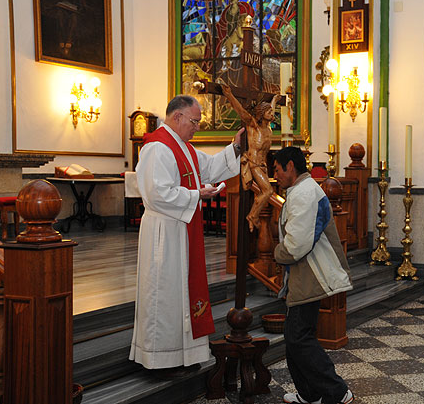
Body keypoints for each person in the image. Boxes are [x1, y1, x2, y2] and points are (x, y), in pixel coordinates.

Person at [129, 94, 243, 376]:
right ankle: (159, 358)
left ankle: (181, 354)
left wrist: (236, 148)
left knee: (181, 294)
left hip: (182, 229)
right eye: (194, 121)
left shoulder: (184, 148)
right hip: (164, 235)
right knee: (164, 294)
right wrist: (197, 194)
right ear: (177, 116)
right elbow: (157, 195)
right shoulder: (157, 147)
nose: (197, 128)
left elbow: (211, 167)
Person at [272, 147, 354, 404]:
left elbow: (297, 245)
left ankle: (337, 391)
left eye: (276, 169)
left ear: (290, 168)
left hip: (311, 276)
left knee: (299, 338)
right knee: (295, 337)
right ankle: (310, 394)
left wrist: (278, 253)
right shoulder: (300, 191)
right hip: (304, 276)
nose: (275, 176)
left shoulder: (305, 193)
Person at [222, 84, 276, 232]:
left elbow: (271, 108)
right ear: (261, 113)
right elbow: (240, 110)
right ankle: (252, 216)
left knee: (264, 192)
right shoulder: (253, 125)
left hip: (263, 165)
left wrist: (276, 100)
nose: (272, 114)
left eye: (272, 111)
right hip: (253, 164)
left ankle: (253, 216)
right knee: (268, 191)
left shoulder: (268, 128)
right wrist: (229, 95)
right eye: (269, 112)